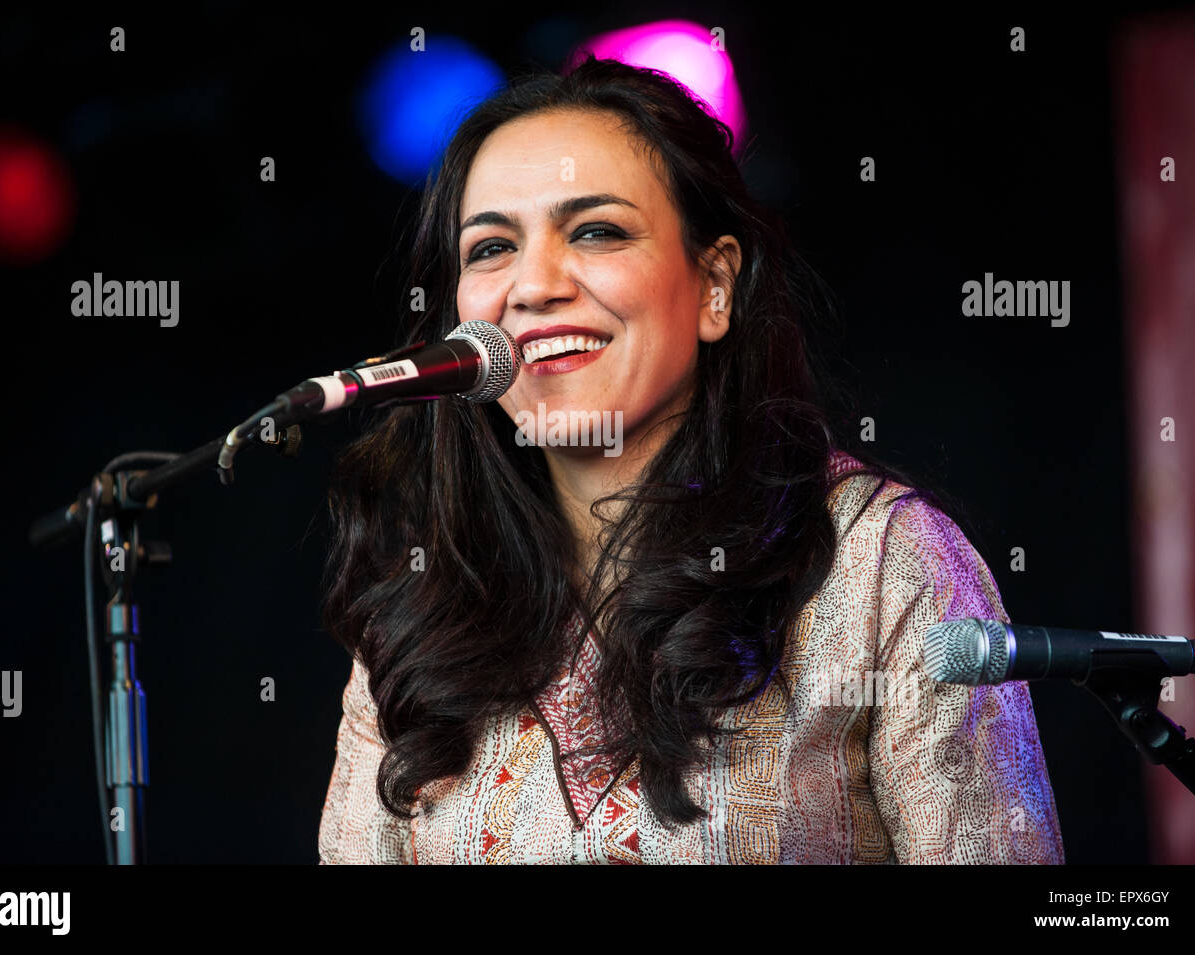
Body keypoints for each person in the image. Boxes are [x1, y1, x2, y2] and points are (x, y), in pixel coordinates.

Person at [317, 55, 1064, 864]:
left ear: (714, 286)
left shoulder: (881, 565)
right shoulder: (425, 606)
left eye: (596, 230)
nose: (532, 285)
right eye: (491, 247)